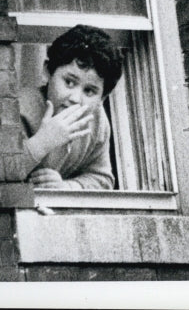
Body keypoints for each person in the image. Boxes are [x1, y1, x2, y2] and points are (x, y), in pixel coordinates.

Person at [19, 25, 124, 191]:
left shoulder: (97, 121)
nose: (75, 98)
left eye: (89, 91)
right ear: (47, 72)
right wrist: (41, 143)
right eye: (69, 82)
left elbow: (102, 179)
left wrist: (67, 187)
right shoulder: (19, 108)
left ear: (101, 99)